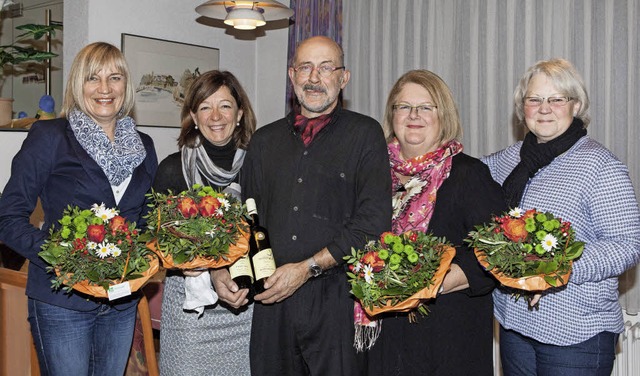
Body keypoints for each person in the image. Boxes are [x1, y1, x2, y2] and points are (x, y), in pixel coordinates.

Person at [234, 36, 391, 375]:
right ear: (292, 76)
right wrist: (233, 277)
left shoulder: (366, 135)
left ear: (343, 78)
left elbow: (374, 223)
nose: (314, 78)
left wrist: (307, 268)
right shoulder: (264, 141)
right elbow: (247, 222)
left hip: (338, 302)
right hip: (272, 303)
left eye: (325, 68)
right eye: (305, 67)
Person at [0, 42, 157, 375]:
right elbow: (8, 217)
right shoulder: (51, 136)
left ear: (125, 85)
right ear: (77, 84)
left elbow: (145, 216)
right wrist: (63, 257)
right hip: (62, 300)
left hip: (121, 300)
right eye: (92, 78)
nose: (104, 88)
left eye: (114, 77)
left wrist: (148, 254)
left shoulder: (144, 145)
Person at [482, 58, 640, 375]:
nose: (544, 108)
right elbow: (463, 188)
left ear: (576, 105)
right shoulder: (502, 163)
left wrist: (555, 269)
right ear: (521, 106)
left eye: (557, 99)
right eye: (534, 99)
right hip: (515, 325)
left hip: (576, 333)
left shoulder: (600, 166)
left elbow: (626, 245)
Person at [365, 70, 505, 375]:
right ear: (392, 115)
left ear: (444, 115)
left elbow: (500, 254)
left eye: (426, 107)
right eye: (404, 107)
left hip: (446, 343)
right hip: (383, 342)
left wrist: (434, 283)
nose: (414, 115)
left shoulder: (469, 175)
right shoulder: (371, 174)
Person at [153, 70, 257, 376]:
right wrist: (205, 266)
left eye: (225, 106)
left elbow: (268, 234)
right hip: (191, 312)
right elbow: (159, 242)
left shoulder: (258, 166)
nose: (216, 116)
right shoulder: (172, 169)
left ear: (239, 114)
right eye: (205, 107)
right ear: (194, 116)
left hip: (244, 304)